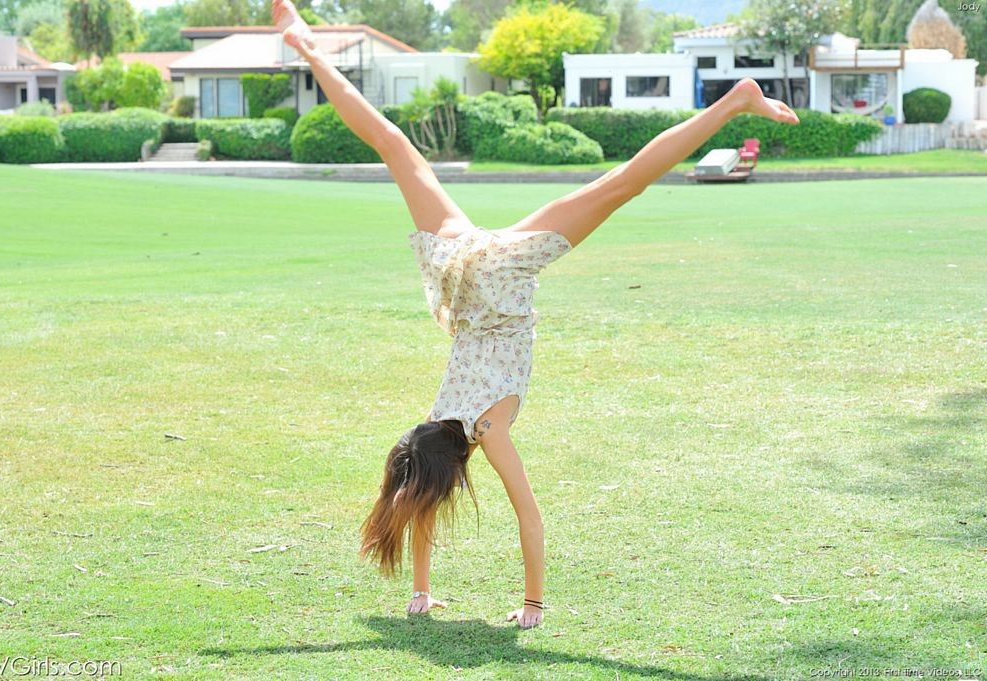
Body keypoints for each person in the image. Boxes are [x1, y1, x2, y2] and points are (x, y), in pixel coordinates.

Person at [272, 0, 800, 630]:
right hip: (461, 265)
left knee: (623, 184)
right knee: (395, 145)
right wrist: (418, 592)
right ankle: (306, 46)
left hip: (496, 275)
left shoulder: (484, 432)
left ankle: (734, 101)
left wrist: (532, 607)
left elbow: (526, 513)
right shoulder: (434, 418)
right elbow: (416, 490)